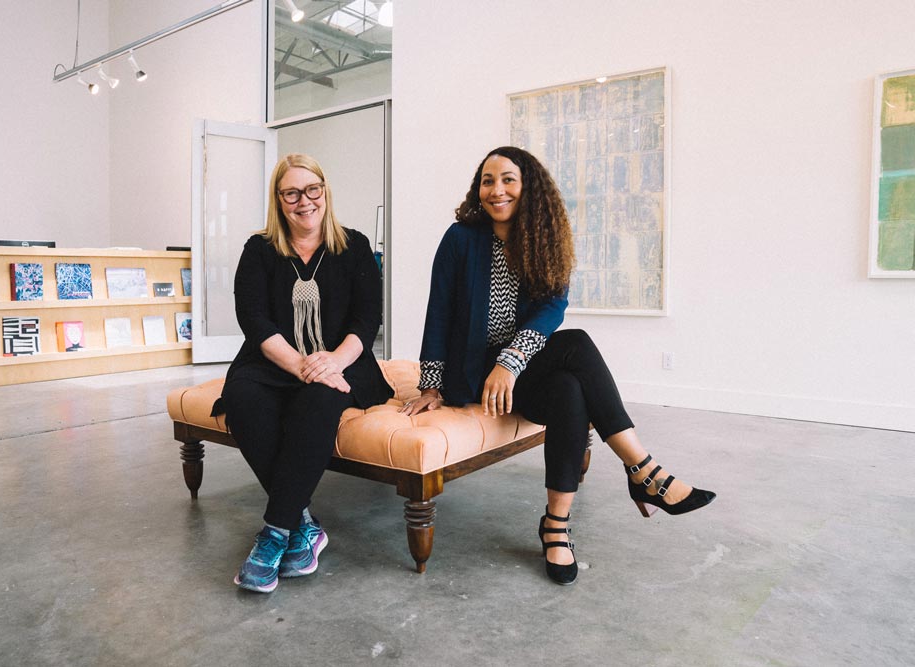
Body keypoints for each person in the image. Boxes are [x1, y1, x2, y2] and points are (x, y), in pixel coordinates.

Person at [401, 146, 715, 586]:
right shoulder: (461, 238)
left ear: (528, 185)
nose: (496, 190)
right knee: (578, 345)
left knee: (569, 385)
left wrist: (510, 363)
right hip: (471, 374)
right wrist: (431, 385)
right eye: (487, 181)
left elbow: (553, 307)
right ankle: (642, 469)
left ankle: (556, 526)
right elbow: (437, 313)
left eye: (508, 179)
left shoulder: (546, 238)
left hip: (516, 372)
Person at [213, 154, 393, 593]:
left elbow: (368, 319)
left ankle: (276, 531)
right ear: (279, 200)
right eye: (291, 192)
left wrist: (332, 361)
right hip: (274, 361)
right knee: (241, 398)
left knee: (320, 397)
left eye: (312, 189)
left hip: (343, 361)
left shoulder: (354, 245)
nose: (304, 201)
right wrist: (299, 364)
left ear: (325, 191)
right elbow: (253, 318)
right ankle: (304, 525)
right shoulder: (259, 249)